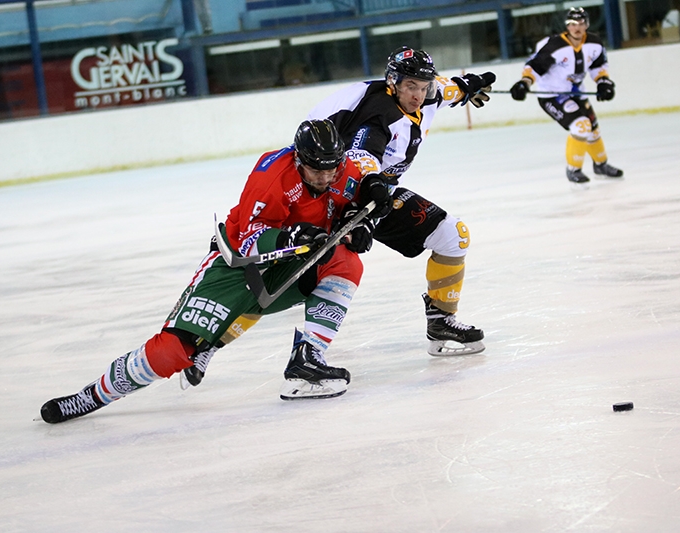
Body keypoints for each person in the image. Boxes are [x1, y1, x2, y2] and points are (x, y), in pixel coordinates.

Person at [181, 47, 492, 391]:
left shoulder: (425, 94)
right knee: (278, 282)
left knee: (452, 236)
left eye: (423, 86)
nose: (417, 94)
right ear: (393, 83)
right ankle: (206, 344)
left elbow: (444, 90)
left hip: (374, 193)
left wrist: (467, 87)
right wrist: (373, 185)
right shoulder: (379, 113)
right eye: (411, 86)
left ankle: (441, 322)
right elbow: (362, 154)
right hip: (340, 194)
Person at [40, 119, 385, 423]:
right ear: (298, 161)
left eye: (332, 169)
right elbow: (249, 240)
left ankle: (307, 359)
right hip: (237, 265)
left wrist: (365, 218)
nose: (326, 177)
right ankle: (93, 395)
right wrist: (288, 235)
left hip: (290, 263)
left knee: (345, 259)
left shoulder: (340, 169)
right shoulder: (271, 178)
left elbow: (358, 188)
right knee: (174, 350)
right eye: (317, 171)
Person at [509, 7, 623, 184]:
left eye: (581, 23)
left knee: (593, 130)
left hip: (577, 93)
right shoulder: (555, 46)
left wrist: (603, 82)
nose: (577, 27)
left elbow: (598, 66)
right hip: (552, 96)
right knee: (581, 126)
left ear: (587, 24)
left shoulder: (595, 44)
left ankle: (601, 165)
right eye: (572, 24)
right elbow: (535, 67)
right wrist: (524, 83)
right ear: (567, 26)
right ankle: (573, 170)